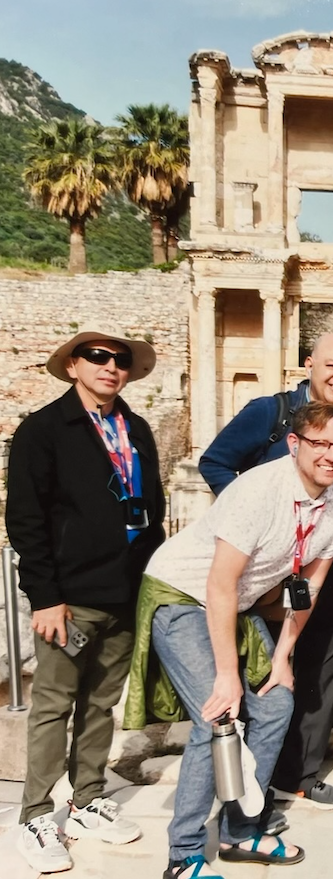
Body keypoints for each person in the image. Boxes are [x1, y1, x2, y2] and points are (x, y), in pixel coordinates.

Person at [138, 402, 333, 878]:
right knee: (218, 714)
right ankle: (183, 855)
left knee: (276, 704)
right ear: (294, 444)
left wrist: (283, 658)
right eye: (320, 443)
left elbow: (310, 587)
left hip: (240, 603)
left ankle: (239, 832)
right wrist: (226, 675)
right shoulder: (258, 489)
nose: (331, 455)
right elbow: (219, 583)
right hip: (184, 593)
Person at [198, 333, 333, 811]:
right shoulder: (272, 413)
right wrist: (256, 525)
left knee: (321, 675)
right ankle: (245, 776)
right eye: (331, 365)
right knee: (264, 672)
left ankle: (297, 775)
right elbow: (215, 463)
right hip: (276, 574)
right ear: (308, 364)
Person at [7, 325, 165, 874]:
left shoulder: (136, 428)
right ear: (73, 365)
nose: (110, 365)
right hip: (70, 598)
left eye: (119, 359)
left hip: (124, 591)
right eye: (97, 356)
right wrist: (45, 597)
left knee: (100, 703)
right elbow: (26, 519)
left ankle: (86, 800)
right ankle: (34, 814)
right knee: (54, 706)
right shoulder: (44, 429)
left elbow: (152, 508)